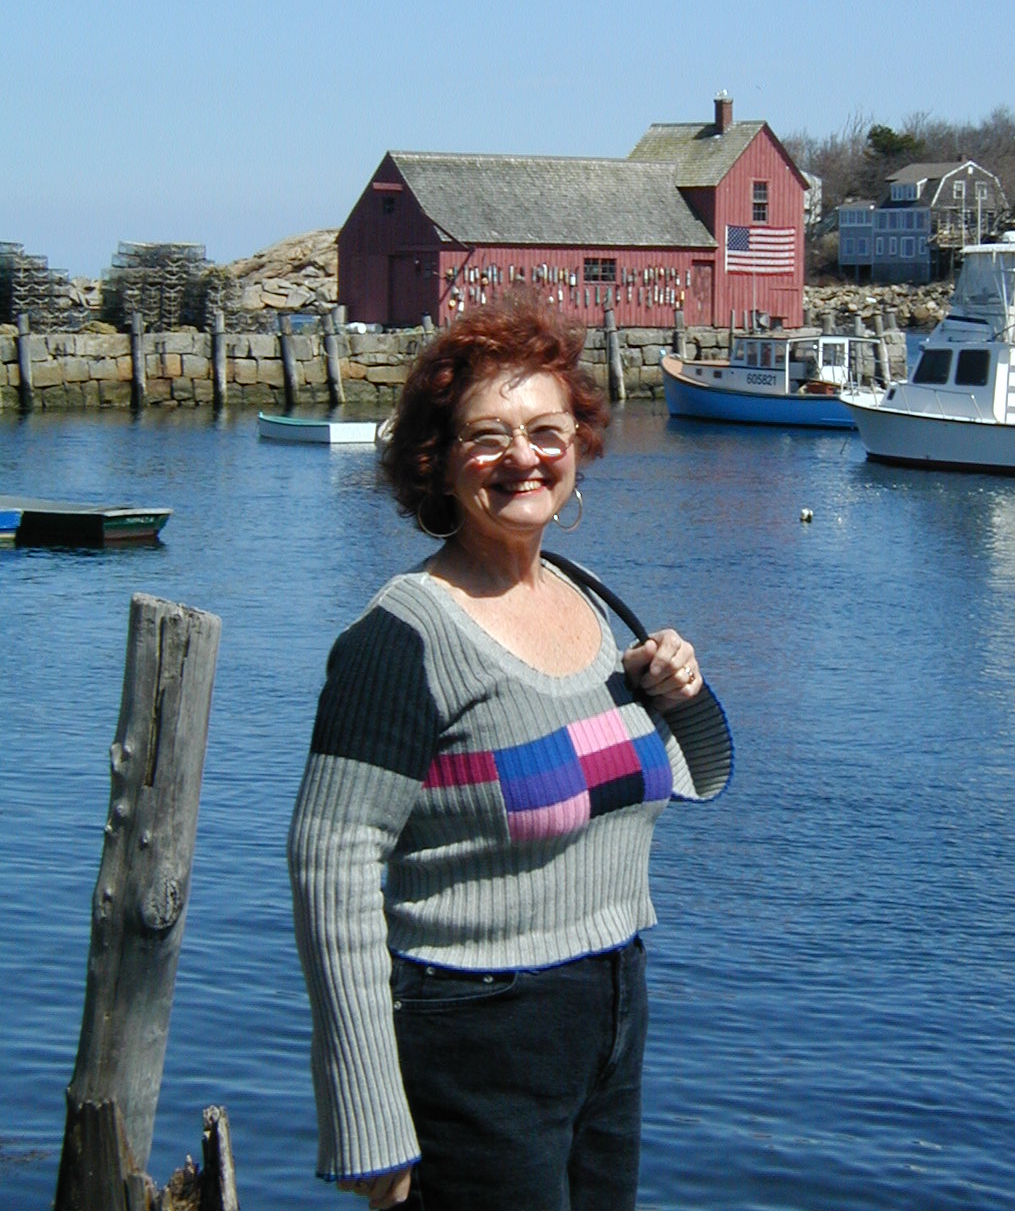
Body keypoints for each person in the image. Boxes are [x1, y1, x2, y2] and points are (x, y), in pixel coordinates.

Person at [289, 294, 732, 1211]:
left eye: (545, 430)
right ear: (438, 459)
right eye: (488, 437)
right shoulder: (399, 642)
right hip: (473, 1030)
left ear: (579, 441)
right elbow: (329, 870)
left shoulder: (586, 596)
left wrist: (677, 692)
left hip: (613, 1006)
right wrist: (368, 1118)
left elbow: (690, 778)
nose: (524, 457)